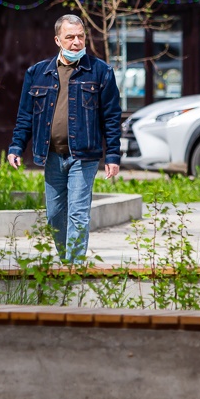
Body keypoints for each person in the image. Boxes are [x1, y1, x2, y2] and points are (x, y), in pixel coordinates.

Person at [8, 14, 122, 263]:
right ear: (57, 40)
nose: (76, 42)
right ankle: (66, 260)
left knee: (78, 214)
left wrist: (113, 155)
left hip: (84, 155)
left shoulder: (100, 72)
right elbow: (25, 114)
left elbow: (112, 117)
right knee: (55, 215)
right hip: (51, 154)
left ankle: (74, 267)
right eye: (70, 37)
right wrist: (17, 145)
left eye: (81, 36)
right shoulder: (37, 73)